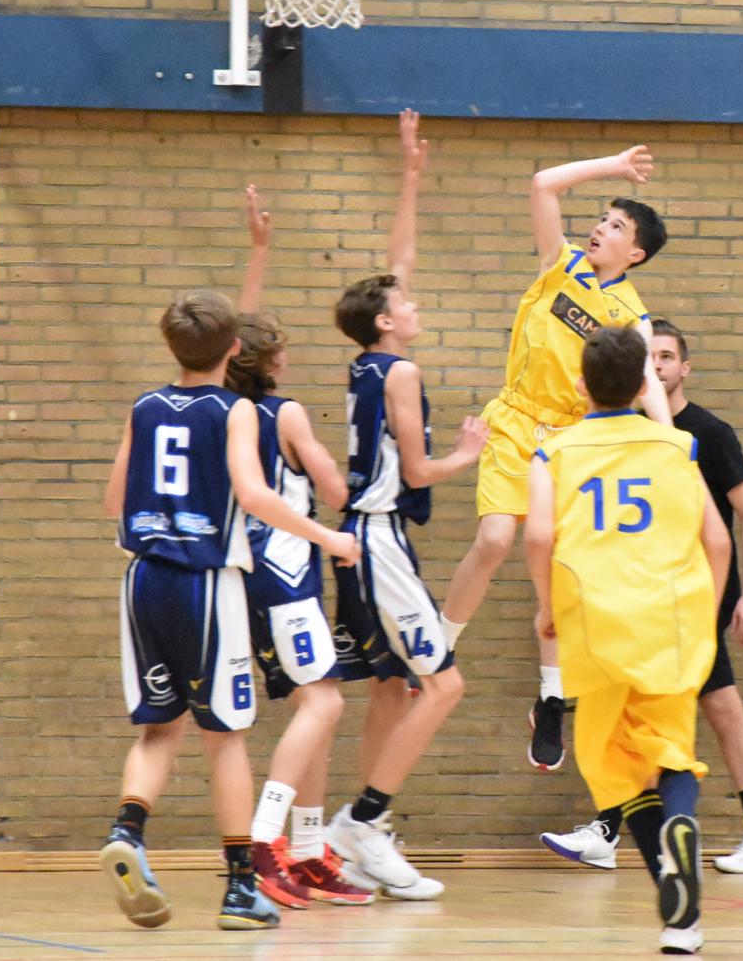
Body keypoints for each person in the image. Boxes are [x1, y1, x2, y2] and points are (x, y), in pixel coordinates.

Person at [97, 289, 353, 931]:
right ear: (233, 348)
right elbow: (255, 495)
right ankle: (241, 887)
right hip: (205, 583)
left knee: (160, 729)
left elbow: (113, 501)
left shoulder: (144, 407)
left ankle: (128, 830)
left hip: (142, 579)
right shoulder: (234, 411)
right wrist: (328, 539)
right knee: (225, 738)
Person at [439, 143, 672, 773]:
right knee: (494, 541)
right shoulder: (559, 262)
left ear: (635, 254)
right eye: (603, 219)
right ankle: (438, 644)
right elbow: (543, 183)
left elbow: (648, 388)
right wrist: (614, 166)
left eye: (617, 227)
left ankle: (550, 699)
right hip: (516, 421)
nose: (601, 228)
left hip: (571, 442)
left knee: (561, 576)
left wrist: (670, 444)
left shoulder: (633, 319)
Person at [541, 318, 743, 873]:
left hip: (690, 599)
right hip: (644, 601)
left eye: (667, 356)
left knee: (716, 712)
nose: (658, 365)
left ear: (683, 368)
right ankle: (611, 830)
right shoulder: (623, 434)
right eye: (651, 356)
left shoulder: (703, 435)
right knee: (634, 721)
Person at [324, 111, 489, 901]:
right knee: (443, 685)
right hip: (381, 540)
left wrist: (412, 177)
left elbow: (398, 263)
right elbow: (419, 467)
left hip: (360, 538)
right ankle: (362, 820)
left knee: (390, 689)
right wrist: (469, 451)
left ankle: (370, 837)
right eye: (406, 302)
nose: (415, 302)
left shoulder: (367, 360)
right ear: (387, 322)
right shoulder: (402, 372)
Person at [526, 324, 731, 956]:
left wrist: (547, 607)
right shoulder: (680, 447)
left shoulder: (555, 452)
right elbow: (718, 541)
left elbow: (538, 536)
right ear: (645, 385)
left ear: (581, 385)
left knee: (613, 768)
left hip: (596, 622)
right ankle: (683, 878)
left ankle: (671, 890)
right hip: (670, 621)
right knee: (672, 752)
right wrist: (705, 614)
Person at [227, 188, 373, 909]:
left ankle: (310, 850)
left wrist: (259, 253)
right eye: (280, 347)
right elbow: (336, 489)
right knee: (322, 701)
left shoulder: (223, 405)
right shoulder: (285, 414)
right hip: (286, 570)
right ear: (271, 362)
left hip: (246, 574)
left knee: (322, 700)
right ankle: (264, 842)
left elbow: (235, 333)